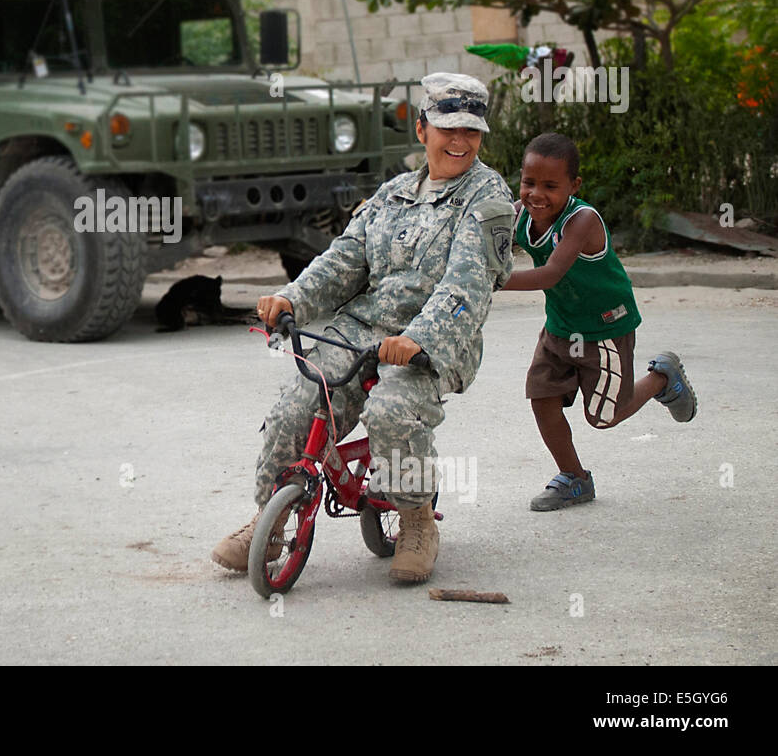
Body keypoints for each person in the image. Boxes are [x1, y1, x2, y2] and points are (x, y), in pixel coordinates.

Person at [211, 73, 516, 584]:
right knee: (295, 406)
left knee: (391, 409)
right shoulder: (391, 194)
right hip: (361, 331)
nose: (459, 141)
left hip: (434, 343)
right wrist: (292, 298)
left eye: (471, 130)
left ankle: (417, 521)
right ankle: (272, 519)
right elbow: (343, 262)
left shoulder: (488, 200)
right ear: (422, 130)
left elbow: (466, 288)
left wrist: (420, 339)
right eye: (447, 129)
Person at [501, 132, 697, 510]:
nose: (536, 194)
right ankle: (575, 478)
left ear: (573, 186)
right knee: (541, 397)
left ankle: (662, 377)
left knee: (605, 417)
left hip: (605, 327)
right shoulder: (520, 214)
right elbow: (487, 233)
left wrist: (492, 280)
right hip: (561, 325)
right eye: (528, 182)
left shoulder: (583, 220)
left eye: (550, 186)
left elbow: (551, 274)